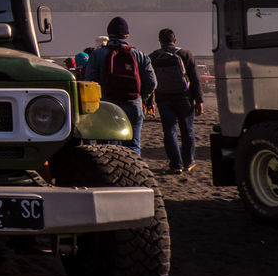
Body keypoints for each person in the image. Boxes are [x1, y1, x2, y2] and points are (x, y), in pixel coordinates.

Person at [83, 17, 156, 155]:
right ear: (126, 35)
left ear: (109, 34)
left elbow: (90, 80)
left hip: (106, 105)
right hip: (133, 104)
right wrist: (141, 98)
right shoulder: (139, 55)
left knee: (107, 145)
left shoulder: (97, 54)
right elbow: (152, 82)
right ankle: (134, 174)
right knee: (133, 145)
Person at [149, 28, 204, 175]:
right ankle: (188, 162)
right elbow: (195, 79)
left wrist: (149, 102)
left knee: (169, 131)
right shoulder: (185, 54)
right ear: (175, 41)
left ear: (160, 41)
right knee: (187, 131)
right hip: (184, 98)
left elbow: (150, 81)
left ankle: (175, 165)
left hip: (163, 99)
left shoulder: (153, 57)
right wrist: (199, 100)